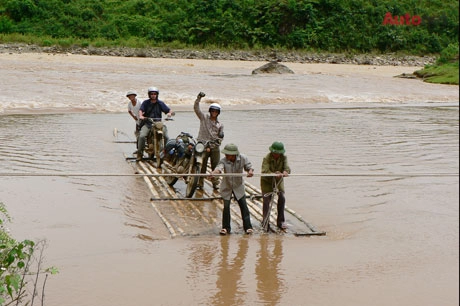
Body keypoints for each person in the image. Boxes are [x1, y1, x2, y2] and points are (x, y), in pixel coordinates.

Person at [211, 143, 254, 235]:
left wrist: (250, 171)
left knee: (243, 206)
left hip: (238, 186)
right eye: (225, 154)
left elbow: (248, 167)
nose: (226, 155)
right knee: (226, 207)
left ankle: (248, 227)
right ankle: (226, 228)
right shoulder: (224, 160)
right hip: (227, 186)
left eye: (228, 154)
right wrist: (215, 172)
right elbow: (219, 168)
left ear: (234, 154)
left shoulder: (243, 158)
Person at [194, 91, 224, 190]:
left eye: (216, 111)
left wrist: (219, 140)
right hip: (203, 145)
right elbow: (196, 109)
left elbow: (220, 137)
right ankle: (200, 183)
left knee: (216, 166)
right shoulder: (204, 118)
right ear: (210, 111)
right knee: (201, 165)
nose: (214, 113)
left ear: (218, 113)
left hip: (214, 146)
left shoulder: (220, 124)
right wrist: (198, 98)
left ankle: (215, 183)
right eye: (213, 111)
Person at [137, 87, 174, 161]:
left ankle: (166, 153)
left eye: (155, 94)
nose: (153, 95)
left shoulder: (160, 103)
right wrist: (141, 116)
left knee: (166, 137)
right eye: (151, 94)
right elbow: (141, 110)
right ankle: (139, 154)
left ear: (157, 95)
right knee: (141, 136)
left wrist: (170, 113)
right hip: (148, 124)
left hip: (158, 124)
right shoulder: (145, 103)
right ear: (149, 95)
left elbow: (168, 110)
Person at [260, 141, 291, 231]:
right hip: (267, 180)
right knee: (266, 200)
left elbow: (287, 168)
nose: (277, 155)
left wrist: (285, 172)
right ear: (272, 152)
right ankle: (265, 221)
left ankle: (280, 221)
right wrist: (274, 173)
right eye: (275, 153)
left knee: (282, 197)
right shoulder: (266, 158)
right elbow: (265, 171)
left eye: (279, 153)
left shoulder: (284, 158)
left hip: (279, 180)